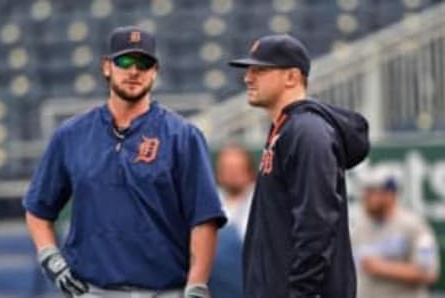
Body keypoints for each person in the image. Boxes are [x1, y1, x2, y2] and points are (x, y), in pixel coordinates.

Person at [23, 26, 226, 298]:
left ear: (155, 71)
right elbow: (38, 208)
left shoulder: (182, 136)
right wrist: (51, 259)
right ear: (107, 67)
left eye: (144, 64)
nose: (134, 71)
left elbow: (204, 219)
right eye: (125, 62)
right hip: (90, 290)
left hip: (164, 291)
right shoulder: (71, 134)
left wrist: (197, 284)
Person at [228, 34, 370, 297]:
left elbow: (316, 223)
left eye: (259, 70)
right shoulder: (286, 128)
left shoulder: (307, 131)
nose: (248, 77)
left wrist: (300, 292)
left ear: (291, 77)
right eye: (248, 70)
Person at [353, 176, 440, 298]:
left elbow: (428, 273)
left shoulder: (414, 226)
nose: (366, 197)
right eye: (365, 192)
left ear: (390, 194)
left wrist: (382, 267)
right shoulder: (358, 228)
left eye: (372, 192)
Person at [209, 144, 255, 298]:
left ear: (249, 172)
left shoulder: (262, 201)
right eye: (227, 169)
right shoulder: (210, 201)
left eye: (237, 169)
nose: (232, 174)